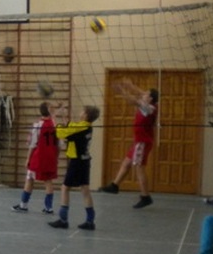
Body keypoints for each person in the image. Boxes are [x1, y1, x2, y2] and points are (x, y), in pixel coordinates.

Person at [99, 79, 158, 209]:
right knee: (126, 163)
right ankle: (114, 185)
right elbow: (141, 93)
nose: (143, 94)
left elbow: (133, 101)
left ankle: (145, 196)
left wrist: (122, 91)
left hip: (142, 142)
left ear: (150, 99)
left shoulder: (148, 108)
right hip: (139, 141)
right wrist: (131, 86)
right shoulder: (150, 102)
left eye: (146, 94)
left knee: (139, 168)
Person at [48, 105, 100, 230]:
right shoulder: (86, 126)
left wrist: (53, 117)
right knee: (85, 190)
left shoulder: (80, 128)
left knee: (65, 188)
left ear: (86, 115)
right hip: (85, 161)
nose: (80, 112)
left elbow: (61, 133)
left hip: (77, 162)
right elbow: (71, 127)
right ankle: (90, 221)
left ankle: (63, 220)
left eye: (82, 111)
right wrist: (64, 116)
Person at [12, 102, 60, 214]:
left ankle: (23, 205)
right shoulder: (55, 125)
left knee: (29, 179)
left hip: (38, 158)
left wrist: (28, 159)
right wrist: (56, 157)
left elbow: (32, 144)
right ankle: (49, 208)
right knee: (48, 181)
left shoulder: (38, 125)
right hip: (51, 157)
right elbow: (59, 144)